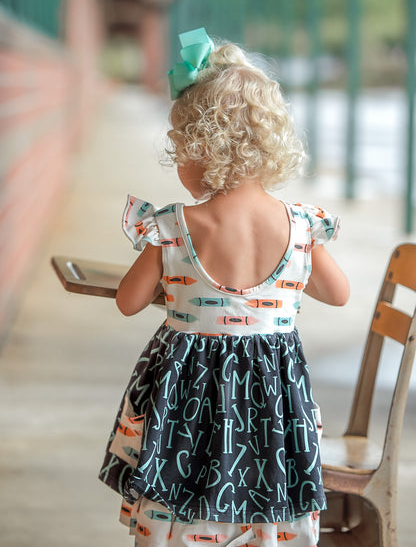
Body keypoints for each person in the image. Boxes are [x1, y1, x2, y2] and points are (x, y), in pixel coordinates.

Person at [99, 27, 350, 547]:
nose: (178, 165)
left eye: (180, 151)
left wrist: (181, 287)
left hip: (187, 402)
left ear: (205, 147)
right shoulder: (301, 226)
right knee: (268, 491)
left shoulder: (173, 225)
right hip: (273, 398)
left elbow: (128, 302)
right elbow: (338, 293)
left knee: (179, 493)